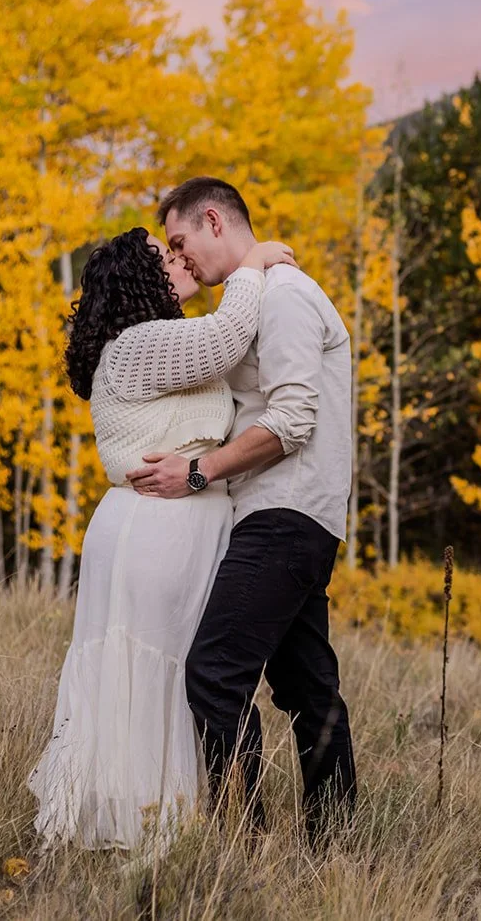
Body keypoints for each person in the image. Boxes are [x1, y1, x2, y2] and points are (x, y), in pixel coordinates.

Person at [28, 225, 294, 850]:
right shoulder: (138, 344)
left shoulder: (154, 345)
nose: (180, 262)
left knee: (176, 676)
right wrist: (250, 263)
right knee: (161, 674)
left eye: (177, 251)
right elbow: (228, 338)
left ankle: (175, 825)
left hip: (173, 522)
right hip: (156, 529)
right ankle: (155, 832)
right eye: (164, 257)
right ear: (138, 281)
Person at [126, 176, 356, 845]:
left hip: (284, 516)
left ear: (212, 220)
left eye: (179, 241)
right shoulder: (255, 297)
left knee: (213, 674)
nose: (180, 257)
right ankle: (335, 845)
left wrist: (197, 472)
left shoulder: (285, 296)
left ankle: (243, 840)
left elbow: (291, 421)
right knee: (309, 689)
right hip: (287, 515)